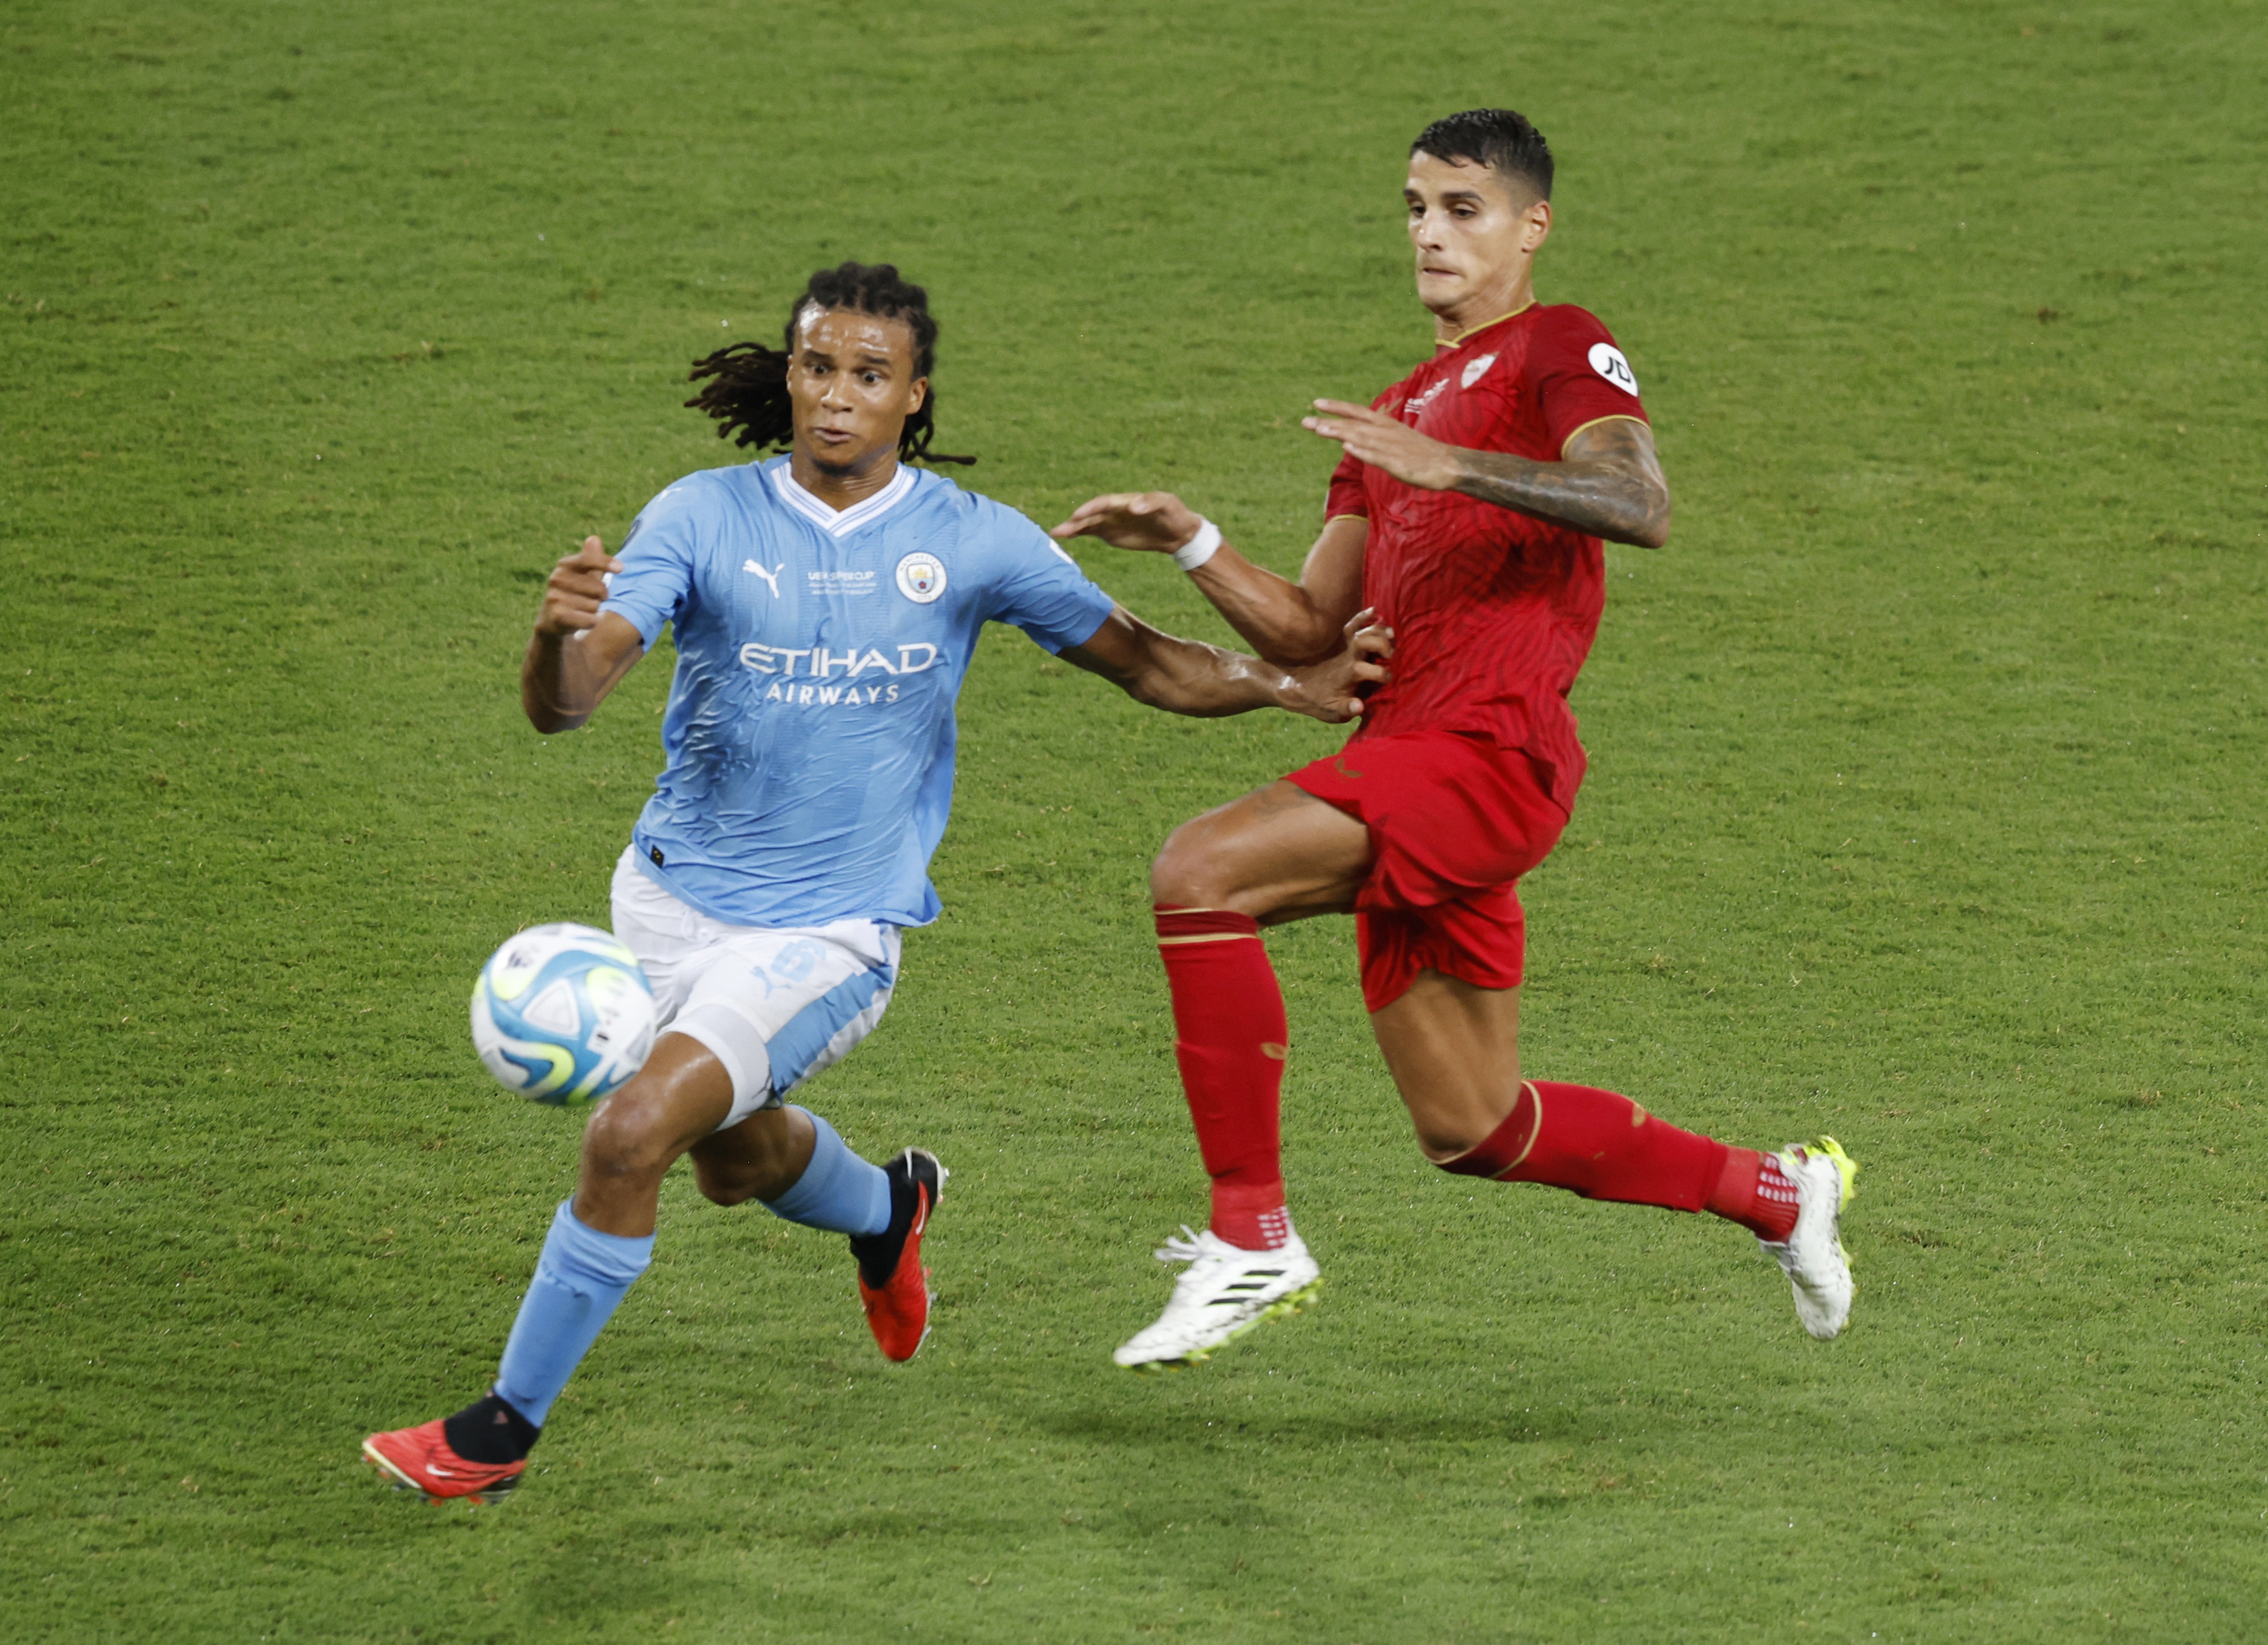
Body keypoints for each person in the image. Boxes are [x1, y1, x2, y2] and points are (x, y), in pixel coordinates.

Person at [363, 261, 1386, 1501]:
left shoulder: (968, 542)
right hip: (666, 905)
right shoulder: (699, 515)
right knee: (731, 1165)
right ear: (789, 377)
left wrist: (1292, 687)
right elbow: (569, 706)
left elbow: (1149, 667)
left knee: (629, 1135)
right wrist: (549, 639)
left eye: (866, 376)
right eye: (815, 369)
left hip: (830, 936)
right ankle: (885, 1210)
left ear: (913, 397)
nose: (835, 397)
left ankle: (496, 1435)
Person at [1054, 110, 1858, 1373]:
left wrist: (1454, 464)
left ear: (1529, 226)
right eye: (1415, 208)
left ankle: (1249, 1235)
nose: (1429, 232)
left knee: (1197, 872)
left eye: (1462, 208)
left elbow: (1636, 503)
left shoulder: (1558, 347)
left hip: (1485, 754)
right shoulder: (1390, 411)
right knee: (1475, 1127)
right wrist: (1197, 545)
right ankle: (1774, 1191)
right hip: (1409, 760)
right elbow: (1317, 625)